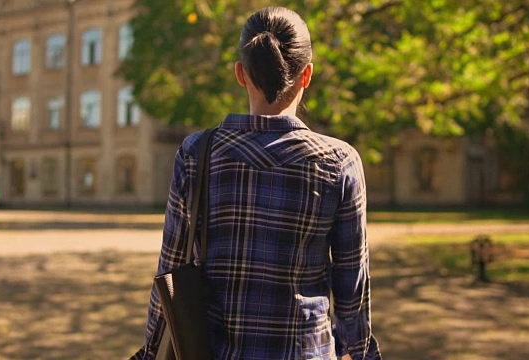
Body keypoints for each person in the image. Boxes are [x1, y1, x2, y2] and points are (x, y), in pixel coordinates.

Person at [136, 6, 381, 360]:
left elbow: (171, 271)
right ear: (307, 75)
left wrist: (148, 353)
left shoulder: (196, 154)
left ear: (241, 73)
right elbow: (352, 290)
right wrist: (360, 354)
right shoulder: (340, 163)